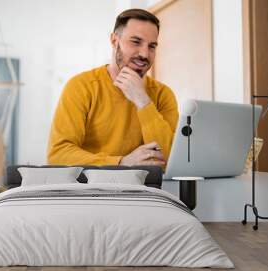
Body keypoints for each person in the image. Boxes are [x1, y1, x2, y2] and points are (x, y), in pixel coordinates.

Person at [47, 8, 178, 166]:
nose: (144, 54)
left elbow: (170, 159)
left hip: (146, 189)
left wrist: (143, 101)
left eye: (152, 46)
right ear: (114, 41)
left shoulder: (163, 94)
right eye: (136, 42)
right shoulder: (81, 86)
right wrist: (121, 163)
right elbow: (58, 154)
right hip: (90, 188)